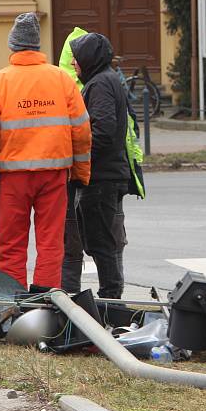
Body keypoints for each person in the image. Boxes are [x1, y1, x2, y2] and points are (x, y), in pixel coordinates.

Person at [0, 12, 91, 291]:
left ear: (13, 45)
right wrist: (80, 173)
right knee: (51, 243)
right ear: (38, 46)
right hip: (54, 175)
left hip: (14, 177)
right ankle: (46, 301)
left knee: (11, 243)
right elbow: (82, 132)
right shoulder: (62, 80)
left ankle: (12, 303)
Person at [70, 32, 130, 299]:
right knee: (105, 242)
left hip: (101, 178)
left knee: (102, 244)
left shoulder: (100, 84)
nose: (73, 63)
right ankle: (111, 299)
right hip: (106, 176)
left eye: (77, 58)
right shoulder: (104, 79)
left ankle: (110, 301)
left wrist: (76, 155)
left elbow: (103, 131)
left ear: (89, 58)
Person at [58, 27, 89, 293]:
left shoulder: (97, 83)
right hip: (75, 175)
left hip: (71, 175)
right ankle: (71, 298)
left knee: (71, 245)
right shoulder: (63, 86)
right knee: (73, 245)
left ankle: (71, 298)